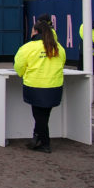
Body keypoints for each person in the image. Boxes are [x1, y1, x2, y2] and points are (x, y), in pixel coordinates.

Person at [14, 20, 66, 153]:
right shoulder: (58, 47)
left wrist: (23, 74)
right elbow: (62, 63)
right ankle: (36, 138)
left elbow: (19, 67)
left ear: (36, 32)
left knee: (39, 116)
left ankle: (45, 143)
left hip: (35, 86)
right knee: (44, 115)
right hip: (55, 86)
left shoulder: (27, 47)